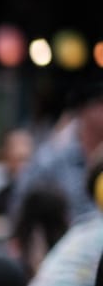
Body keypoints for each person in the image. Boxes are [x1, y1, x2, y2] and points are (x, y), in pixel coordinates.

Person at [11, 81, 103, 223]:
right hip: (62, 242)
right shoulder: (51, 158)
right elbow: (20, 207)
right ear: (85, 109)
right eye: (100, 103)